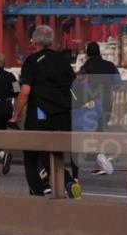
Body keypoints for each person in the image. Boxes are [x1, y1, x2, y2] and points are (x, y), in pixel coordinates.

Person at [11, 25, 80, 198]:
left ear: (34, 41)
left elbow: (25, 92)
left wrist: (15, 115)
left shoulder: (32, 61)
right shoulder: (63, 60)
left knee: (32, 156)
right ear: (51, 41)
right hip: (63, 116)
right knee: (53, 155)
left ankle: (38, 194)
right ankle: (69, 183)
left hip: (40, 115)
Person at [78, 41, 122, 175]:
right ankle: (101, 160)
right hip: (108, 102)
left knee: (90, 131)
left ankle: (98, 159)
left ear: (87, 54)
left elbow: (82, 86)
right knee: (101, 129)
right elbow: (118, 84)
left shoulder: (85, 68)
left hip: (91, 103)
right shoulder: (110, 66)